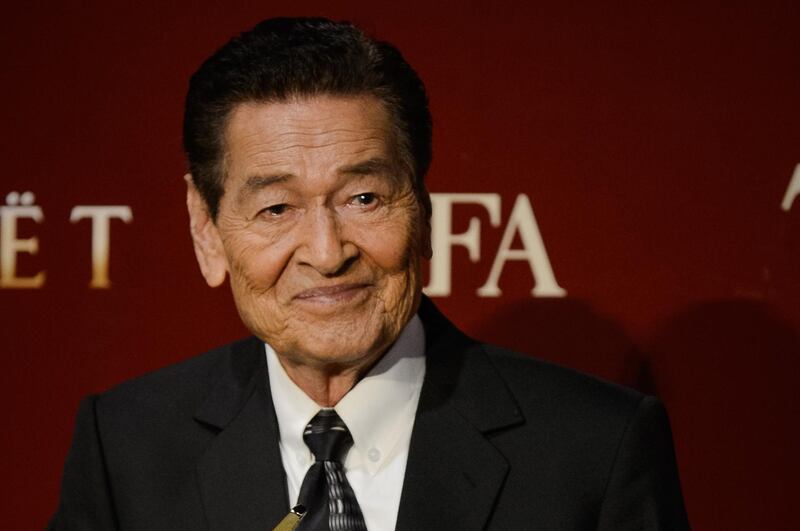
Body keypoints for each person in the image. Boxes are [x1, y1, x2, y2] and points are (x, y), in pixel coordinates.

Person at [49, 17, 690, 531]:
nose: (327, 253)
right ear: (206, 229)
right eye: (276, 208)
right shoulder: (127, 448)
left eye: (364, 199)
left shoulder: (594, 450)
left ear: (424, 208)